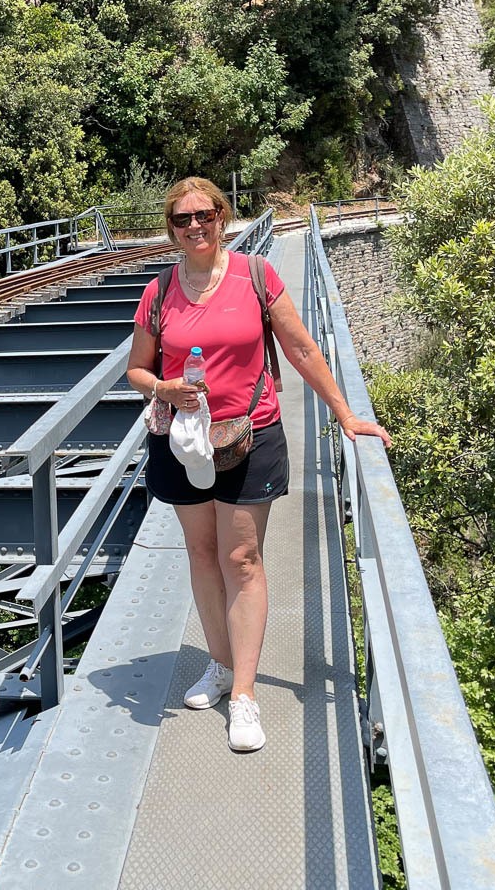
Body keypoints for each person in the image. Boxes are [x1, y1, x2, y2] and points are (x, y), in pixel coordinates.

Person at [126, 176, 392, 753]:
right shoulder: (159, 291)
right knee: (201, 554)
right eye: (181, 219)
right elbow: (137, 371)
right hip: (184, 439)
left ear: (223, 217)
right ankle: (219, 666)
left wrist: (345, 415)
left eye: (204, 214)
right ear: (170, 229)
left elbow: (300, 348)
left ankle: (244, 694)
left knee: (241, 558)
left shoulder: (256, 276)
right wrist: (165, 387)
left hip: (253, 433)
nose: (194, 226)